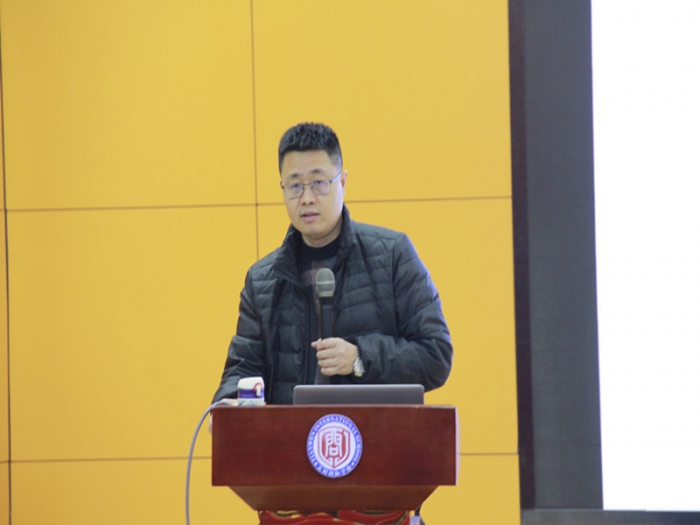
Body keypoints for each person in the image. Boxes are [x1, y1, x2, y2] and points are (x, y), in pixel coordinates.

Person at [212, 122, 453, 405]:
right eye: (295, 186)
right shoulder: (262, 280)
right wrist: (230, 404)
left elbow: (436, 355)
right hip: (291, 432)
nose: (307, 198)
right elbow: (242, 371)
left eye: (319, 183)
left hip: (374, 430)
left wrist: (360, 357)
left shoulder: (391, 256)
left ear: (343, 182)